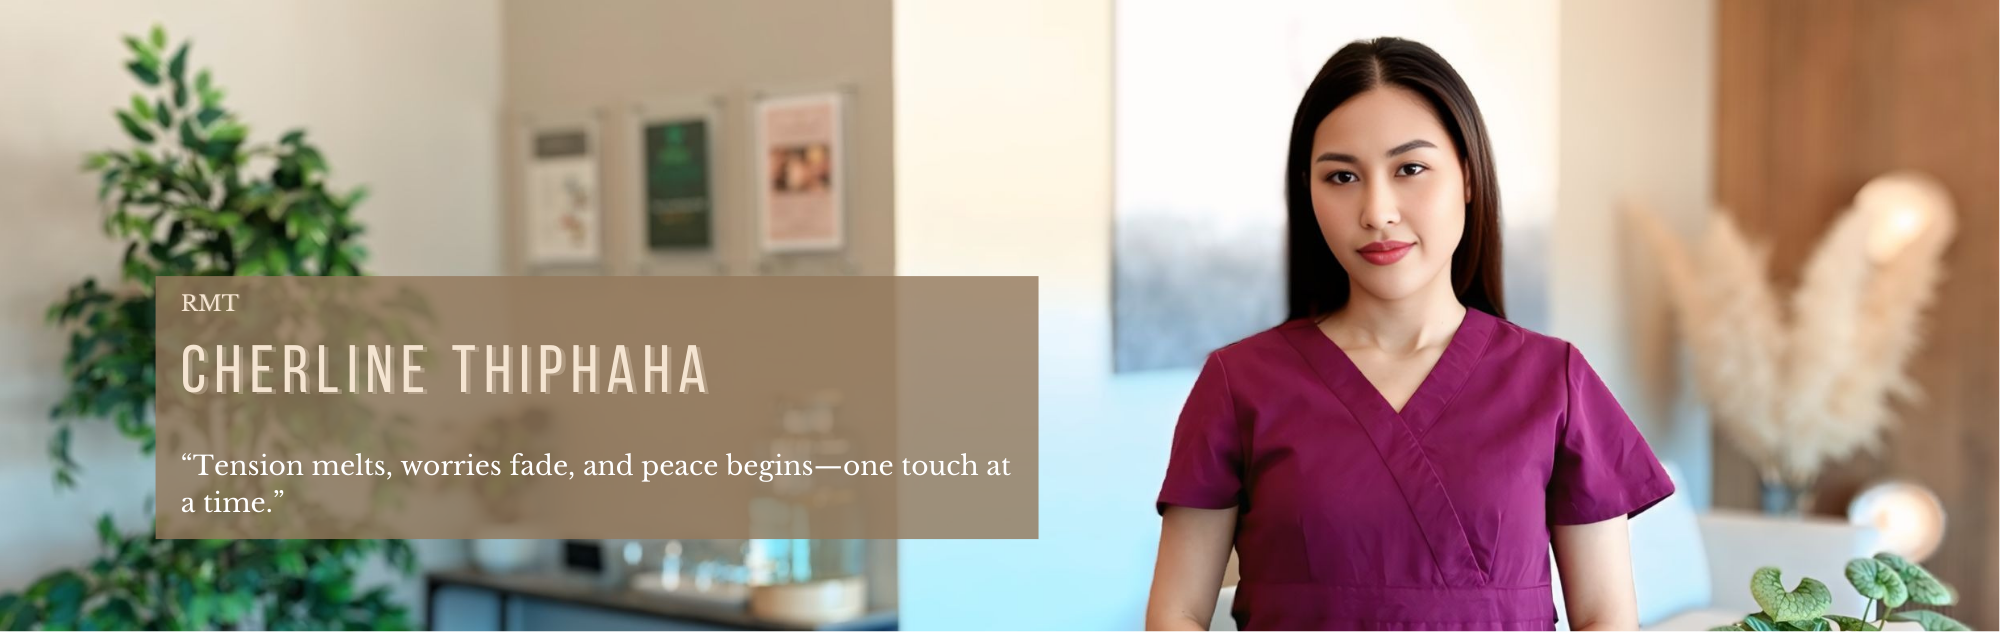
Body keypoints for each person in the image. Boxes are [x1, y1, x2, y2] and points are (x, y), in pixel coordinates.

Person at [1144, 37, 1674, 631]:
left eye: (1410, 169)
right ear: (1308, 194)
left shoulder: (1557, 380)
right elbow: (1176, 614)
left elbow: (1605, 618)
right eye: (1341, 176)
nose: (1377, 210)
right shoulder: (1238, 384)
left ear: (1468, 178)